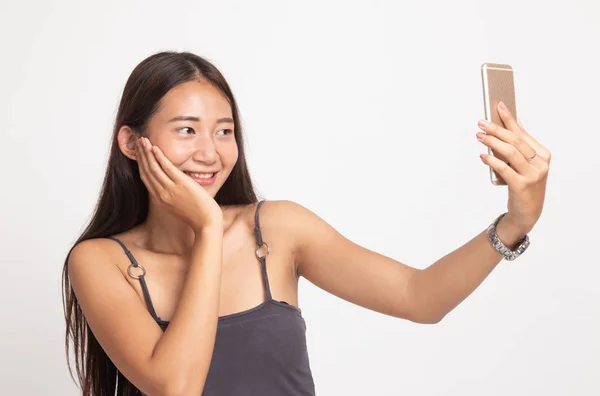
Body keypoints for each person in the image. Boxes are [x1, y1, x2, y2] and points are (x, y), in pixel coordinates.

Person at [62, 51, 551, 396]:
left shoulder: (277, 230)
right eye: (186, 130)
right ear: (131, 142)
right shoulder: (102, 261)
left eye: (224, 131)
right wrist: (209, 232)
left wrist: (515, 221)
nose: (209, 153)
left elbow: (419, 297)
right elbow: (176, 387)